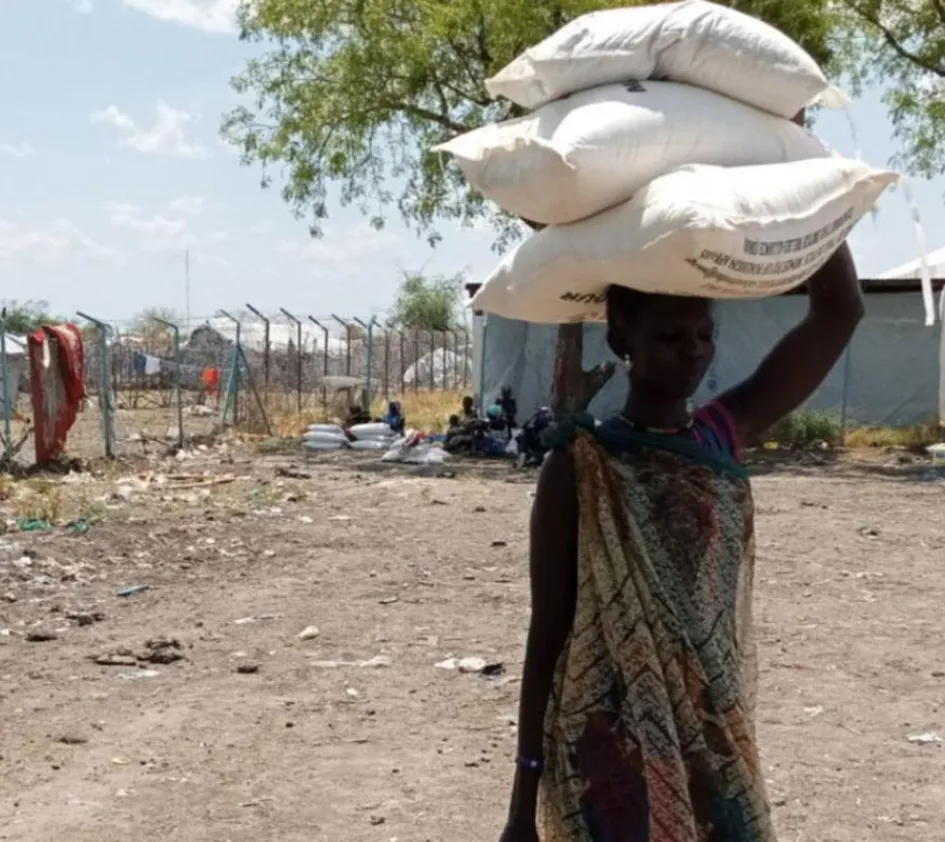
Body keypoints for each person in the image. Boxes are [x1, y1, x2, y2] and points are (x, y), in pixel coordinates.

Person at [499, 244, 863, 842]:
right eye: (670, 335)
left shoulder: (722, 435)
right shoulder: (581, 465)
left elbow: (840, 312)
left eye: (704, 332)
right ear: (623, 342)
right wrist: (521, 805)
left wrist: (811, 179)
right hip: (607, 743)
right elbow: (548, 636)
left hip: (711, 727)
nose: (693, 350)